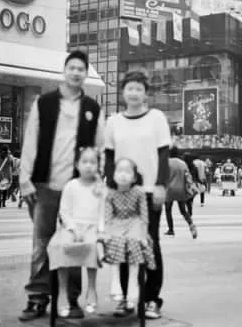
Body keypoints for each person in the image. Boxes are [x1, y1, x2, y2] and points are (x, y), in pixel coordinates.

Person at [19, 50, 105, 322]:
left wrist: (99, 180)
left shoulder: (93, 109)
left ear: (86, 74)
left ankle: (71, 299)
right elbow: (31, 141)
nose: (76, 72)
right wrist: (24, 179)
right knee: (41, 245)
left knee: (76, 244)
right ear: (64, 71)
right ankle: (37, 298)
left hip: (79, 189)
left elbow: (100, 149)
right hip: (44, 186)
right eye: (72, 67)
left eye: (81, 69)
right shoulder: (44, 103)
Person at [104, 70, 171, 320]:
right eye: (129, 88)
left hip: (149, 193)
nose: (133, 93)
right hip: (121, 194)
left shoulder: (156, 118)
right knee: (122, 245)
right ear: (123, 92)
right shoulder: (113, 121)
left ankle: (152, 299)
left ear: (145, 94)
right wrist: (110, 187)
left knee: (149, 245)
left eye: (138, 89)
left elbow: (163, 154)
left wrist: (161, 185)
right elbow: (109, 157)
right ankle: (126, 298)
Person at [47, 147, 106, 317]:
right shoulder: (71, 186)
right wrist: (73, 229)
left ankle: (91, 288)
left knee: (93, 247)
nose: (88, 166)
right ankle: (63, 291)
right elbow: (64, 211)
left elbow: (103, 212)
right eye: (84, 162)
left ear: (98, 165)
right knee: (60, 246)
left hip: (92, 227)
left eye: (93, 162)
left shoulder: (100, 188)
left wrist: (101, 231)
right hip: (72, 227)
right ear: (77, 164)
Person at [103, 158, 155, 314]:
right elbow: (108, 216)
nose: (123, 175)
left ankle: (133, 285)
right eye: (119, 171)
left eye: (127, 171)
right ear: (113, 175)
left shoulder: (139, 192)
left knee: (135, 244)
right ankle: (115, 281)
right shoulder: (110, 194)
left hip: (134, 224)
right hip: (116, 224)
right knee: (115, 242)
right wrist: (107, 232)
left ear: (134, 177)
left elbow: (144, 216)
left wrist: (143, 234)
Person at [165, 147, 198, 238]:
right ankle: (191, 224)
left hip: (169, 190)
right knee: (183, 210)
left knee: (168, 209)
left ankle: (171, 230)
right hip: (181, 190)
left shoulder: (167, 163)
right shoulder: (183, 164)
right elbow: (188, 177)